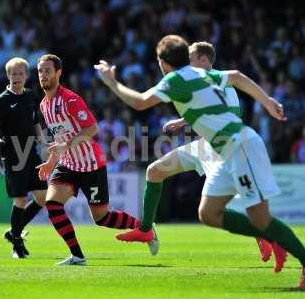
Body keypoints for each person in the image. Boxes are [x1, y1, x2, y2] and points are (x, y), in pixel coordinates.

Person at [94, 35, 305, 288]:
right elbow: (236, 75)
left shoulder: (175, 79)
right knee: (208, 213)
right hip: (225, 148)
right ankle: (270, 235)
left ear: (163, 62)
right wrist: (267, 101)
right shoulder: (200, 76)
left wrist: (111, 82)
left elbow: (139, 102)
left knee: (261, 220)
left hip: (241, 147)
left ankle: (285, 246)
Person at [159, 41, 286, 271]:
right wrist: (181, 121)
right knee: (156, 171)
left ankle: (268, 235)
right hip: (207, 144)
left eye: (191, 58)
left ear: (204, 60)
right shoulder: (202, 83)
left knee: (218, 207)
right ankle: (147, 228)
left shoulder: (221, 79)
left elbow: (229, 113)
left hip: (224, 145)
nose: (187, 63)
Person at [35, 54, 157, 266]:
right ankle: (77, 256)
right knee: (52, 205)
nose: (43, 75)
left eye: (47, 71)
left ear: (58, 73)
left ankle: (145, 227)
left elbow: (92, 128)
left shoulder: (70, 99)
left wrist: (66, 146)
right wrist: (51, 161)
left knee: (101, 218)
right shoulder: (44, 105)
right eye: (40, 71)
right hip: (67, 165)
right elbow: (59, 138)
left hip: (91, 165)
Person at [0, 57, 47, 258]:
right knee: (20, 199)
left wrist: (43, 142)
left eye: (21, 73)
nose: (17, 77)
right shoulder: (1, 101)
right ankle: (17, 245)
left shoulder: (30, 96)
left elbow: (35, 122)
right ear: (8, 76)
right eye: (13, 74)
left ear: (26, 76)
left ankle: (13, 232)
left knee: (41, 197)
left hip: (32, 153)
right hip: (13, 156)